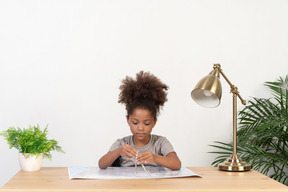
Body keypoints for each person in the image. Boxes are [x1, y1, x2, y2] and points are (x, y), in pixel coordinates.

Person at [98, 71, 181, 170]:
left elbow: (177, 164)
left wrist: (155, 158)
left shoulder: (160, 142)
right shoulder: (121, 144)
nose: (140, 128)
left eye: (146, 123)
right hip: (127, 184)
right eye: (135, 122)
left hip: (154, 184)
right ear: (128, 120)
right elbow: (101, 165)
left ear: (154, 122)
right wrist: (118, 151)